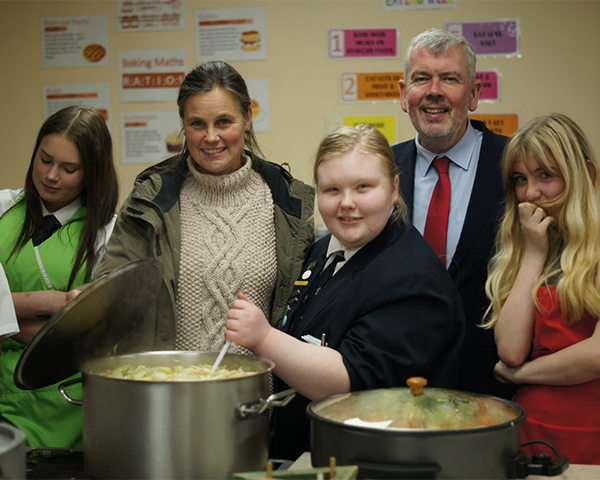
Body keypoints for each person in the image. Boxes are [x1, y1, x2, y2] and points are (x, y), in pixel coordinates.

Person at [226, 125, 465, 460]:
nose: (347, 204)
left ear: (394, 188)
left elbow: (353, 381)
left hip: (373, 464)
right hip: (311, 456)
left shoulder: (413, 279)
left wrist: (263, 338)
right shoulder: (328, 248)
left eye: (363, 187)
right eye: (332, 189)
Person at [92, 61, 315, 354]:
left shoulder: (289, 203)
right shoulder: (152, 199)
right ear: (184, 125)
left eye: (224, 121)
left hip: (257, 392)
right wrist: (84, 303)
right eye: (197, 124)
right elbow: (110, 290)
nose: (211, 137)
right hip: (168, 390)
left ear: (248, 118)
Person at [393, 28, 515, 399]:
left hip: (494, 385)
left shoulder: (515, 166)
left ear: (474, 94)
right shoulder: (381, 170)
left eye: (449, 78)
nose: (434, 91)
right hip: (399, 380)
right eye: (421, 79)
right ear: (403, 94)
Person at [483, 113, 600, 465]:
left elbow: (596, 356)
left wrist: (518, 376)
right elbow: (511, 350)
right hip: (532, 432)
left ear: (587, 175)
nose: (530, 193)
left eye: (545, 176)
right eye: (520, 179)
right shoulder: (524, 249)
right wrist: (534, 254)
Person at [0, 106, 119, 448]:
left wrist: (6, 319)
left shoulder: (109, 234)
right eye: (44, 159)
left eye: (69, 169)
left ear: (92, 173)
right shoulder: (4, 208)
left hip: (70, 400)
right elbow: (69, 327)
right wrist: (46, 302)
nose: (51, 176)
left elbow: (95, 341)